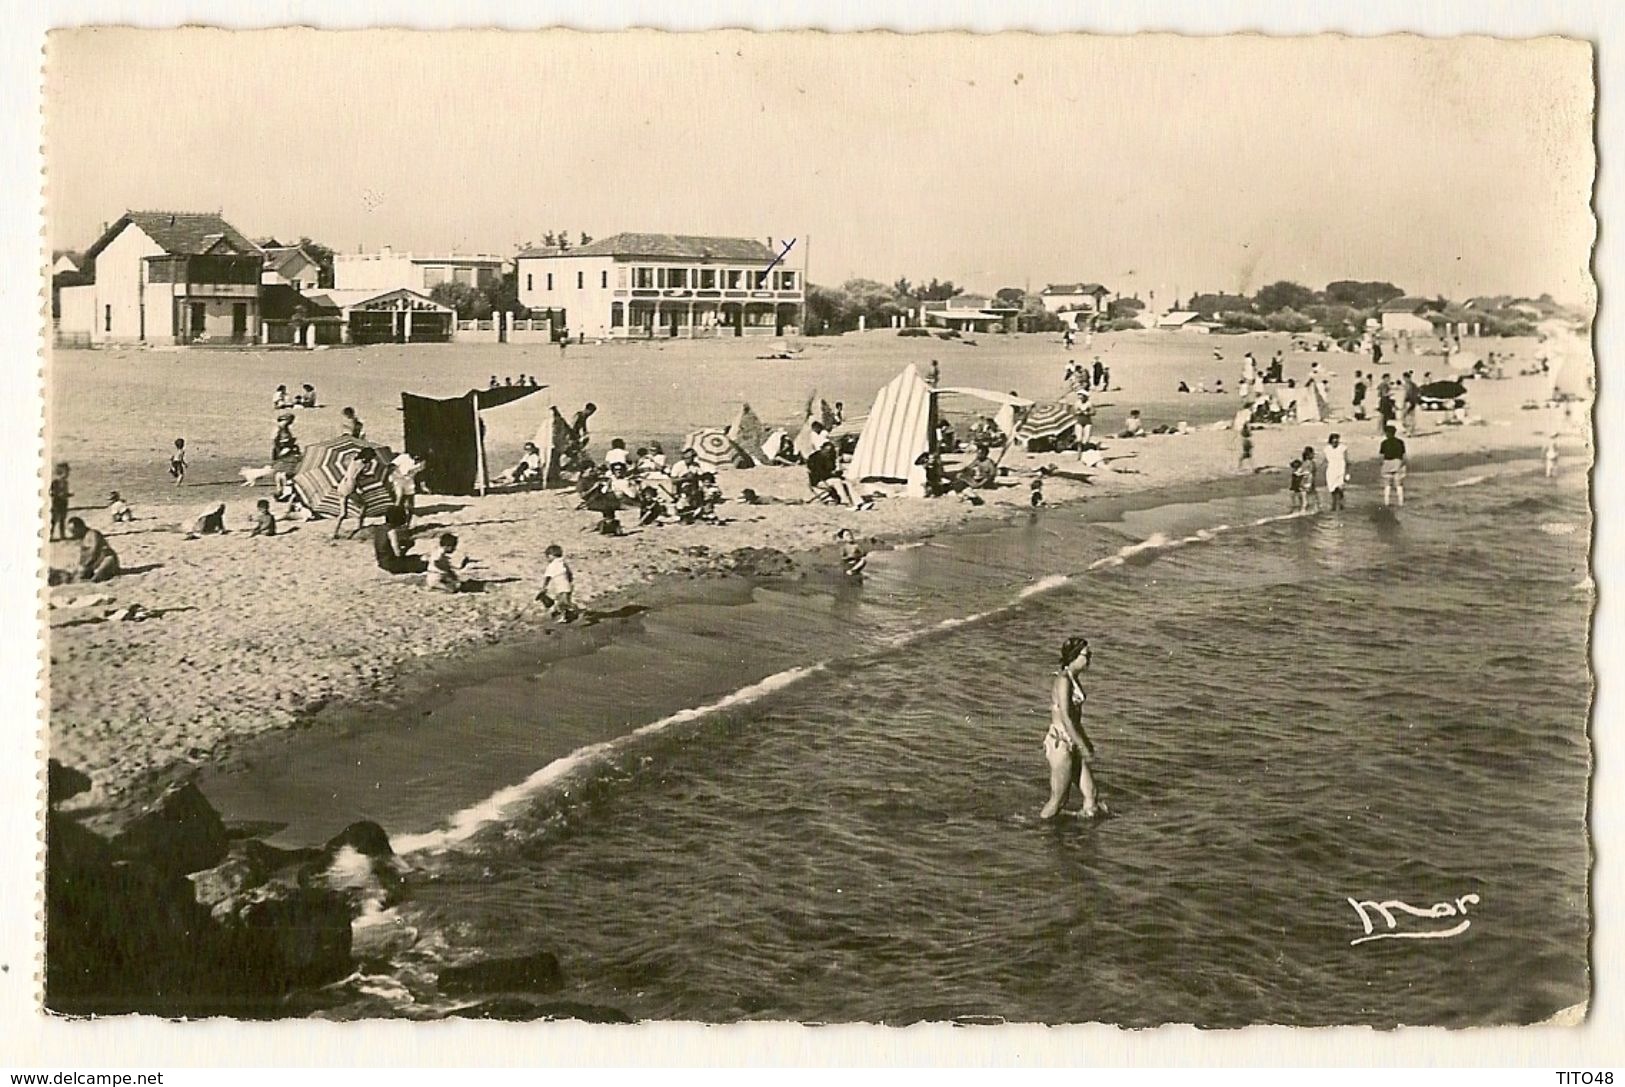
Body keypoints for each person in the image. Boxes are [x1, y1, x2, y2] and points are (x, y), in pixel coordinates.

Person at [1040, 636, 1099, 820]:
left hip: (1071, 742)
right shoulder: (1064, 680)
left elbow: (1075, 719)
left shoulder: (1073, 678)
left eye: (1090, 654)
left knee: (1091, 794)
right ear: (1074, 656)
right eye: (1086, 655)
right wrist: (1082, 745)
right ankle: (1039, 831)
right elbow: (1066, 717)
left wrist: (1085, 742)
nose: (1089, 658)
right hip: (1061, 745)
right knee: (1059, 799)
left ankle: (1084, 838)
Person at [331, 447, 379, 539]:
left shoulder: (354, 460)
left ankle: (335, 532)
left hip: (341, 485)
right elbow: (354, 477)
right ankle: (358, 527)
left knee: (343, 513)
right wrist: (359, 487)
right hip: (350, 486)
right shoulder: (362, 465)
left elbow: (351, 474)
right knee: (364, 506)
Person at [59, 518, 119, 584]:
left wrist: (84, 566)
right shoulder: (82, 538)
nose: (73, 534)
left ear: (80, 527)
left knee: (94, 578)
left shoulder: (93, 534)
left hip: (106, 561)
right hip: (94, 563)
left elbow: (95, 552)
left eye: (74, 531)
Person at [372, 505, 425, 574]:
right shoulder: (392, 532)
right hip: (392, 565)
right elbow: (398, 554)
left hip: (381, 562)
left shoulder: (379, 529)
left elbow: (385, 545)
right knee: (423, 560)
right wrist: (408, 547)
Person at [806, 441, 856, 506]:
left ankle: (858, 501)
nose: (828, 453)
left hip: (829, 478)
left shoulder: (830, 457)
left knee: (847, 482)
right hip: (819, 480)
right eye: (827, 451)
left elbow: (832, 468)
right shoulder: (815, 458)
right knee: (837, 481)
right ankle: (845, 501)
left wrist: (837, 472)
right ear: (822, 449)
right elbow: (819, 473)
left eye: (830, 451)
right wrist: (833, 474)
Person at [537, 543, 578, 622]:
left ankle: (573, 610)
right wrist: (570, 581)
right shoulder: (563, 563)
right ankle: (565, 615)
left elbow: (547, 577)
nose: (547, 559)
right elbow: (569, 573)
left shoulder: (552, 565)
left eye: (547, 557)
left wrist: (544, 587)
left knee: (563, 603)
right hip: (566, 585)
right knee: (563, 602)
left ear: (551, 556)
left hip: (561, 586)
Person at [1379, 424, 1407, 507]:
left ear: (1386, 433)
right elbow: (1404, 455)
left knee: (1387, 484)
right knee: (1399, 484)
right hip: (1398, 462)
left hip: (1387, 463)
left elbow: (1381, 456)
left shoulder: (1384, 443)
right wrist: (1403, 464)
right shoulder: (1400, 442)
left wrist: (1381, 465)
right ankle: (1401, 502)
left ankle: (1386, 502)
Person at [1324, 433, 1349, 511]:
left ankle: (1340, 505)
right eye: (1333, 441)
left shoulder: (1343, 448)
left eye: (1336, 441)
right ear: (1330, 441)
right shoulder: (1327, 449)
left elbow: (1346, 460)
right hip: (1331, 471)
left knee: (1340, 489)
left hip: (1341, 470)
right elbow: (1326, 460)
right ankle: (1334, 505)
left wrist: (1347, 473)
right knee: (1332, 489)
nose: (1335, 443)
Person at [49, 462, 71, 540]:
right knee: (54, 519)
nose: (68, 474)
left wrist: (68, 494)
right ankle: (50, 535)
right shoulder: (55, 482)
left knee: (62, 519)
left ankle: (62, 535)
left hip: (64, 502)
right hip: (57, 502)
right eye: (67, 471)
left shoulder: (65, 482)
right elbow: (51, 492)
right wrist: (59, 494)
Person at [1296, 445, 1321, 513]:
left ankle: (1303, 511)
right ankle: (1314, 511)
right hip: (1308, 484)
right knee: (1314, 499)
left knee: (1305, 500)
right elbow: (1310, 474)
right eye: (1312, 453)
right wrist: (1309, 484)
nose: (1313, 455)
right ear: (1308, 455)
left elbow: (1298, 473)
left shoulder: (1303, 463)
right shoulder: (1311, 463)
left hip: (1301, 484)